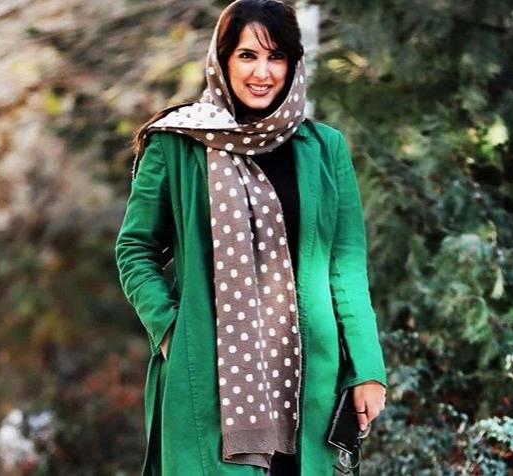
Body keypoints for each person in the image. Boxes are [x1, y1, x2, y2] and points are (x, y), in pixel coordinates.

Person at [114, 1, 387, 474]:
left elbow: (345, 268)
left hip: (310, 382)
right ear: (222, 60)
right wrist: (173, 331)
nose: (262, 72)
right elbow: (135, 249)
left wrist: (367, 368)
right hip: (209, 379)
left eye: (275, 56)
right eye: (247, 55)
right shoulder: (177, 142)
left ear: (294, 63)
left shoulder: (325, 148)